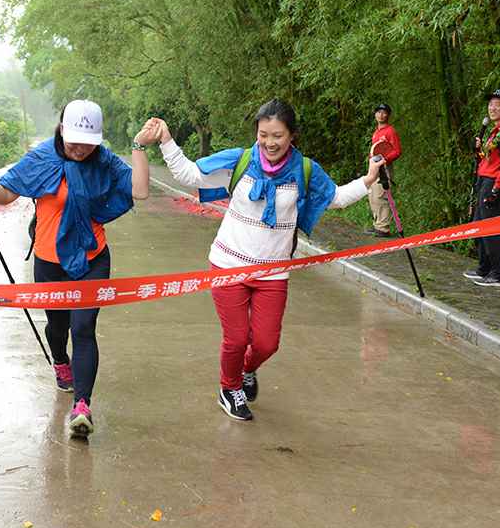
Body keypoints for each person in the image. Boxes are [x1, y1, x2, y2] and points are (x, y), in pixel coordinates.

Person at [152, 99, 384, 421]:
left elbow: (335, 198)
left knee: (266, 343)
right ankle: (229, 388)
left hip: (273, 273)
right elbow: (189, 174)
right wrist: (166, 139)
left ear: (292, 136)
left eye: (277, 136)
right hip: (228, 265)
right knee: (236, 339)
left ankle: (246, 369)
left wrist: (369, 179)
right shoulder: (240, 161)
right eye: (263, 135)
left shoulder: (304, 170)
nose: (269, 143)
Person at [0, 99, 157, 438]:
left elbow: (139, 190)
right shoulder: (42, 157)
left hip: (92, 258)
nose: (80, 149)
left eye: (88, 143)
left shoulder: (104, 160)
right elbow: (5, 194)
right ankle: (60, 360)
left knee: (83, 328)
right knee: (57, 326)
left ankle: (82, 406)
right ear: (62, 129)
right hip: (49, 262)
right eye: (74, 140)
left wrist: (139, 146)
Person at [463, 89, 500, 287]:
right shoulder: (495, 131)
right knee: (479, 226)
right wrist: (479, 150)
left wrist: (497, 188)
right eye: (490, 104)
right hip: (484, 180)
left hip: (494, 183)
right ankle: (484, 269)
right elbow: (489, 160)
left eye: (497, 104)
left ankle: (498, 274)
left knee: (490, 229)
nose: (492, 108)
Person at [367, 103, 401, 238]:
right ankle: (377, 225)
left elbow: (397, 151)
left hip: (384, 166)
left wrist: (384, 159)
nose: (381, 115)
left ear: (388, 115)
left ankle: (383, 228)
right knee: (372, 194)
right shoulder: (376, 132)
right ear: (375, 114)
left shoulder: (390, 131)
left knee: (381, 195)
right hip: (374, 166)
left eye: (384, 112)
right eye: (379, 112)